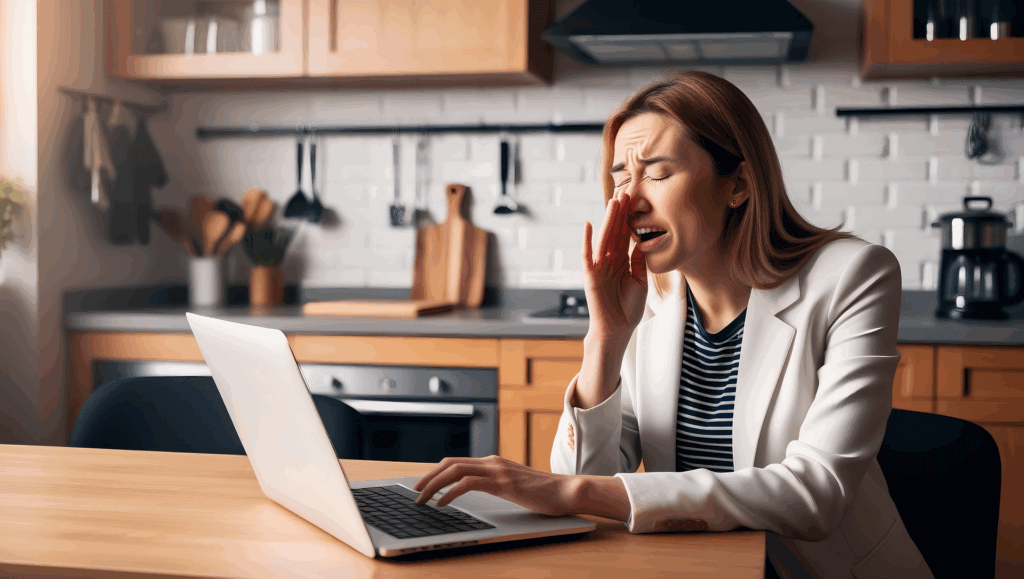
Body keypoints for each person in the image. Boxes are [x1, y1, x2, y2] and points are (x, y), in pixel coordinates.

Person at [414, 71, 932, 578]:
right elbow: (581, 482)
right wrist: (606, 340)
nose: (629, 199)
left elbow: (815, 496)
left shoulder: (853, 275)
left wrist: (566, 492)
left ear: (740, 185)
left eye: (658, 175)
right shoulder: (651, 297)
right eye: (620, 177)